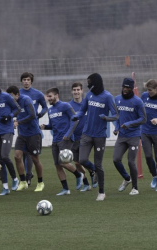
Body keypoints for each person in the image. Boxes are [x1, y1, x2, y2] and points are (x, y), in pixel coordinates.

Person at [72, 73, 118, 201]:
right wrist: (77, 115)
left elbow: (116, 115)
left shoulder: (108, 97)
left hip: (99, 136)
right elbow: (82, 110)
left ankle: (101, 192)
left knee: (99, 164)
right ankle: (94, 170)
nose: (88, 85)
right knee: (82, 160)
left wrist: (106, 118)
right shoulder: (89, 95)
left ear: (96, 83)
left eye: (90, 82)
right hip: (86, 134)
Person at [40, 87, 83, 196]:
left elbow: (75, 120)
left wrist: (68, 134)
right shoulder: (50, 109)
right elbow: (52, 125)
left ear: (56, 95)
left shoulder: (65, 106)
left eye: (50, 96)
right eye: (47, 96)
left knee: (62, 162)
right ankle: (65, 189)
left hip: (65, 139)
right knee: (57, 165)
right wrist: (45, 127)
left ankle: (79, 175)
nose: (48, 98)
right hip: (55, 140)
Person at [0, 73, 21, 195]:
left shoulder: (6, 97)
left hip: (7, 131)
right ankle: (5, 187)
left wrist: (9, 117)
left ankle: (15, 179)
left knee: (5, 156)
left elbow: (18, 109)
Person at [6, 86, 45, 192]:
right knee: (17, 157)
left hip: (33, 134)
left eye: (12, 96)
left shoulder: (26, 100)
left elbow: (32, 115)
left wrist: (18, 122)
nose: (10, 99)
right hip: (22, 134)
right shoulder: (12, 103)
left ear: (17, 95)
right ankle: (23, 181)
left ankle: (40, 182)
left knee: (35, 159)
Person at [113, 78, 146, 195]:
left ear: (132, 88)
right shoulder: (117, 99)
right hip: (122, 136)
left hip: (134, 136)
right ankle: (127, 178)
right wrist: (117, 127)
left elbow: (143, 118)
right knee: (116, 159)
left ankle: (135, 188)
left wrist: (129, 124)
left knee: (131, 162)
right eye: (124, 87)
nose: (125, 89)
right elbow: (117, 116)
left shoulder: (137, 101)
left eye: (128, 87)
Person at [19, 72, 47, 186]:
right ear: (21, 81)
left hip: (33, 127)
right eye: (24, 79)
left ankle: (28, 174)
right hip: (21, 126)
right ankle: (28, 175)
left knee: (30, 153)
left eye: (28, 79)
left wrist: (40, 114)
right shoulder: (18, 93)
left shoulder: (37, 94)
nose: (26, 81)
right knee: (22, 152)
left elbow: (45, 106)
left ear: (31, 81)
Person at [69, 82, 93, 191]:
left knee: (83, 160)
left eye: (78, 90)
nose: (76, 92)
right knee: (77, 163)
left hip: (86, 137)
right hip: (74, 138)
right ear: (72, 92)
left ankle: (92, 172)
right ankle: (86, 183)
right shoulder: (69, 106)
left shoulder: (87, 104)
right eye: (74, 90)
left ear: (82, 91)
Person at [140, 79, 157, 190]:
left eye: (150, 90)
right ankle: (154, 176)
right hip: (145, 131)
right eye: (147, 89)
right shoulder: (144, 96)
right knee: (148, 156)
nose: (148, 91)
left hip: (156, 133)